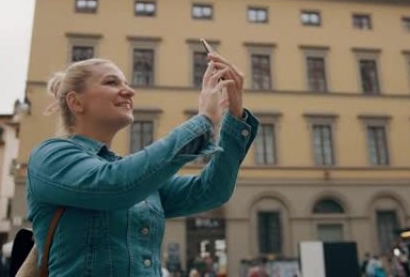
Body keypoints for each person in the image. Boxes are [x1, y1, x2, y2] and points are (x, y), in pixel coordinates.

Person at [26, 54, 259, 277]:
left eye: (126, 83)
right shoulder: (50, 156)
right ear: (76, 102)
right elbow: (114, 185)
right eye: (111, 82)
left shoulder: (135, 174)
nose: (129, 91)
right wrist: (204, 121)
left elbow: (211, 190)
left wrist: (235, 116)